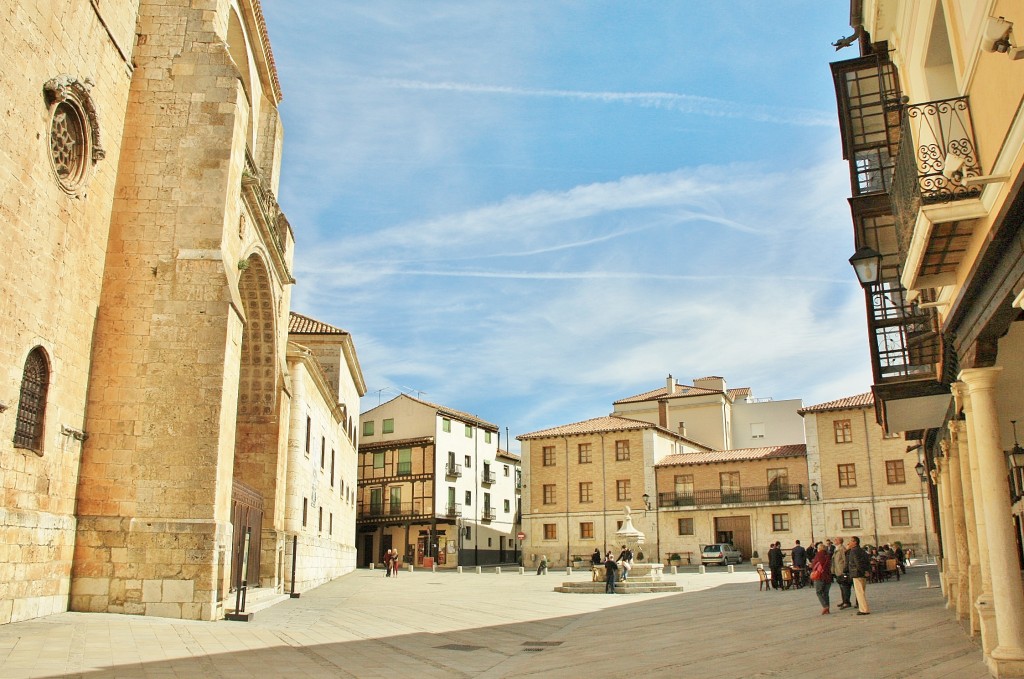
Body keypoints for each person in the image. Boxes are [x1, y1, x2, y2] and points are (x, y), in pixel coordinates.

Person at [847, 536, 871, 615]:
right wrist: (867, 571)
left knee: (859, 592)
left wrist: (862, 571)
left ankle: (864, 609)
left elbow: (857, 563)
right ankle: (863, 608)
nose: (849, 543)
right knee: (862, 591)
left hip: (857, 573)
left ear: (855, 542)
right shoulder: (861, 550)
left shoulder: (854, 551)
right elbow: (867, 561)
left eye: (851, 541)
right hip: (862, 573)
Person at [810, 542, 833, 614]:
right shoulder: (828, 555)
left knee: (819, 592)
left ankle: (825, 606)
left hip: (820, 576)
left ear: (819, 549)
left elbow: (814, 565)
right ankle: (827, 608)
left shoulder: (818, 555)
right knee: (826, 593)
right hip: (828, 576)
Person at [832, 536, 852, 609]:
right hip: (837, 570)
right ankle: (844, 601)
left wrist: (844, 570)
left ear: (839, 541)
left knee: (845, 587)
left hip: (842, 570)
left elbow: (845, 560)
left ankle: (847, 602)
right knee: (841, 587)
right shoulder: (836, 548)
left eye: (836, 540)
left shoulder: (842, 549)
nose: (834, 540)